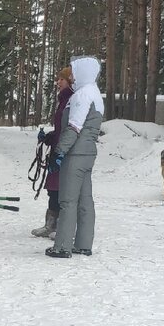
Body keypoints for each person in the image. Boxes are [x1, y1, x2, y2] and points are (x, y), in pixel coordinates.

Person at [46, 56, 102, 259]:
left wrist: (59, 152)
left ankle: (62, 246)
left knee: (67, 200)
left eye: (73, 73)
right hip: (88, 153)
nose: (72, 77)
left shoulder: (81, 96)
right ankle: (83, 244)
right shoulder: (95, 93)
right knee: (85, 200)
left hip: (75, 154)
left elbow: (74, 127)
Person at [32, 66, 74, 239]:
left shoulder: (72, 100)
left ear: (70, 80)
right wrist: (49, 137)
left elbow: (71, 129)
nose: (58, 83)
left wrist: (62, 149)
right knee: (53, 189)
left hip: (65, 152)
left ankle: (63, 227)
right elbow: (60, 128)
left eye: (61, 79)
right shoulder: (63, 100)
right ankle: (51, 225)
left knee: (62, 190)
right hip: (58, 149)